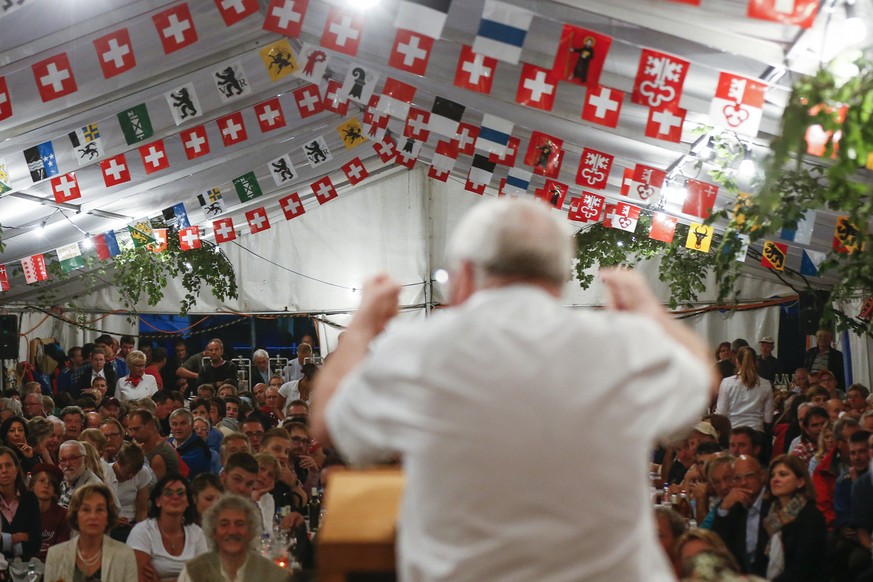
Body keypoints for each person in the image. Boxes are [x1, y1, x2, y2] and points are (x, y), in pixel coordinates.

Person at [311, 198, 714, 581]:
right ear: (559, 278)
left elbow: (327, 422)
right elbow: (701, 376)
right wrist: (646, 308)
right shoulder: (620, 344)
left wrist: (362, 326)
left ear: (465, 273)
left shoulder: (417, 348)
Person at [177, 494, 290, 582]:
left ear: (250, 531)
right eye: (224, 524)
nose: (232, 531)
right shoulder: (194, 572)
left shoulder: (273, 575)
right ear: (213, 531)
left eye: (239, 524)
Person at [44, 483, 138, 582]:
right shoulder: (55, 555)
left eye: (99, 510)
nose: (93, 516)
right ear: (76, 517)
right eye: (86, 509)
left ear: (108, 517)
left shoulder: (125, 555)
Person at [128, 474, 208, 582]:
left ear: (188, 501)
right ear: (158, 501)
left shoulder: (197, 533)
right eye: (168, 493)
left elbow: (205, 578)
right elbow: (140, 579)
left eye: (181, 493)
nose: (175, 497)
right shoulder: (142, 531)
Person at [764, 454, 827, 581]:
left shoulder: (811, 517)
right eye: (772, 475)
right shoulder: (771, 515)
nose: (775, 479)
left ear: (800, 482)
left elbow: (801, 568)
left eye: (782, 474)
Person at [711, 455, 770, 576]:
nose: (743, 483)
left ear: (762, 476)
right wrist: (724, 507)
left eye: (749, 476)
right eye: (737, 478)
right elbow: (716, 544)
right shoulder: (735, 506)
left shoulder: (773, 503)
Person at [715, 346, 774, 433]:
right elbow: (768, 419)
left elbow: (721, 414)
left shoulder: (727, 383)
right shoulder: (766, 384)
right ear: (756, 362)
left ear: (736, 361)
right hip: (757, 433)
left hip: (733, 432)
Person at [104, 442, 152, 541]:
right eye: (128, 472)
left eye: (135, 473)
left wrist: (140, 529)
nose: (131, 477)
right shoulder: (105, 472)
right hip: (109, 523)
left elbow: (142, 509)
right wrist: (112, 520)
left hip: (131, 523)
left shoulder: (143, 473)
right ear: (118, 462)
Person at [0, 445, 41, 561]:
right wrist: (21, 537)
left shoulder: (30, 499)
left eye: (8, 465)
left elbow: (36, 543)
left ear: (16, 469)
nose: (4, 471)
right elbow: (29, 539)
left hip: (25, 567)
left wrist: (4, 539)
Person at [29, 463, 71, 562]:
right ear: (32, 485)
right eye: (42, 481)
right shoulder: (21, 512)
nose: (46, 485)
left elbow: (62, 550)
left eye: (51, 483)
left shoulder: (63, 515)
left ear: (55, 490)